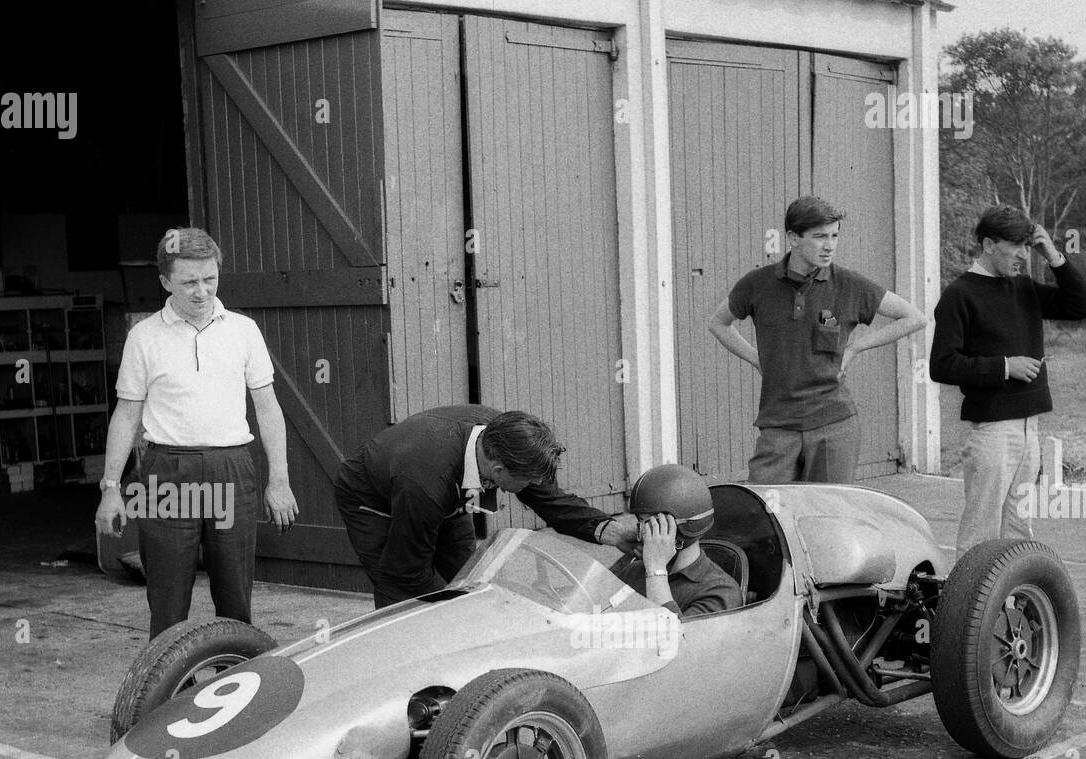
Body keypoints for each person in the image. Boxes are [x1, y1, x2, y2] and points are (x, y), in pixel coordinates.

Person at [96, 227, 298, 639]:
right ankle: (171, 695)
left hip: (232, 468)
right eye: (189, 281)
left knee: (235, 601)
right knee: (168, 603)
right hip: (167, 472)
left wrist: (279, 480)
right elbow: (126, 414)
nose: (201, 291)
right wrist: (111, 486)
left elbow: (268, 408)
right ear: (165, 282)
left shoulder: (243, 330)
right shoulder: (144, 337)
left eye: (210, 278)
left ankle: (237, 688)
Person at [708, 195, 927, 484]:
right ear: (793, 238)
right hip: (778, 425)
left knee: (828, 516)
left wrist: (857, 346)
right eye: (820, 236)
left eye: (835, 236)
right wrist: (756, 358)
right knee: (769, 512)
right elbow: (718, 323)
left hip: (833, 424)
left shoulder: (849, 284)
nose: (830, 245)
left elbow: (914, 317)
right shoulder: (756, 284)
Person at [334, 405, 638, 608]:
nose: (533, 488)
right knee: (402, 589)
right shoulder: (425, 484)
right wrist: (454, 608)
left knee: (471, 577)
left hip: (442, 493)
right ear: (499, 472)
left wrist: (612, 532)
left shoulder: (505, 437)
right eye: (528, 482)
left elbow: (552, 501)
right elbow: (408, 571)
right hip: (373, 501)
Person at [929, 205, 1086, 557]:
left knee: (1019, 532)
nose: (1023, 255)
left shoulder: (1023, 288)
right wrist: (1005, 367)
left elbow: (1081, 306)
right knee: (981, 534)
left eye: (1027, 246)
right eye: (1015, 246)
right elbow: (941, 365)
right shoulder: (960, 295)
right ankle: (968, 609)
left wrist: (1051, 253)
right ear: (988, 245)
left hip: (1028, 429)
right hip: (991, 433)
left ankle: (1012, 606)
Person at [609, 465, 741, 617]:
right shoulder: (632, 572)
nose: (644, 533)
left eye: (654, 524)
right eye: (642, 522)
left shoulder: (720, 592)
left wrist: (656, 570)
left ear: (685, 526)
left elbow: (674, 638)